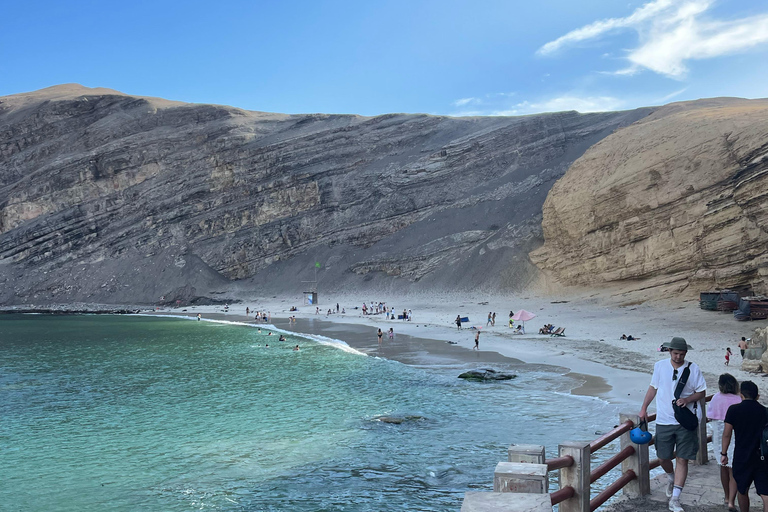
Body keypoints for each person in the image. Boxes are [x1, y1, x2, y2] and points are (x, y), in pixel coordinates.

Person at [639, 337, 706, 512]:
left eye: (681, 354)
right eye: (675, 353)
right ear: (669, 351)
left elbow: (701, 392)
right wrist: (643, 408)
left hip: (685, 420)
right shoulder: (660, 366)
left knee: (683, 459)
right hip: (663, 420)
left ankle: (675, 499)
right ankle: (671, 476)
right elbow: (653, 388)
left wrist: (687, 399)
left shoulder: (693, 369)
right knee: (663, 457)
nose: (678, 357)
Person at [722, 381, 768, 512]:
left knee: (742, 489)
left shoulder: (733, 410)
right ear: (757, 396)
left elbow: (726, 434)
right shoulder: (765, 411)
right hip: (762, 456)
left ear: (740, 395)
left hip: (742, 455)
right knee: (765, 492)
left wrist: (724, 453)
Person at [708, 373, 741, 511]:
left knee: (723, 465)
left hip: (718, 434)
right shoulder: (739, 399)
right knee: (734, 468)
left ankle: (726, 496)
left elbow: (710, 416)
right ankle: (732, 501)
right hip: (734, 433)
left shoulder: (716, 398)